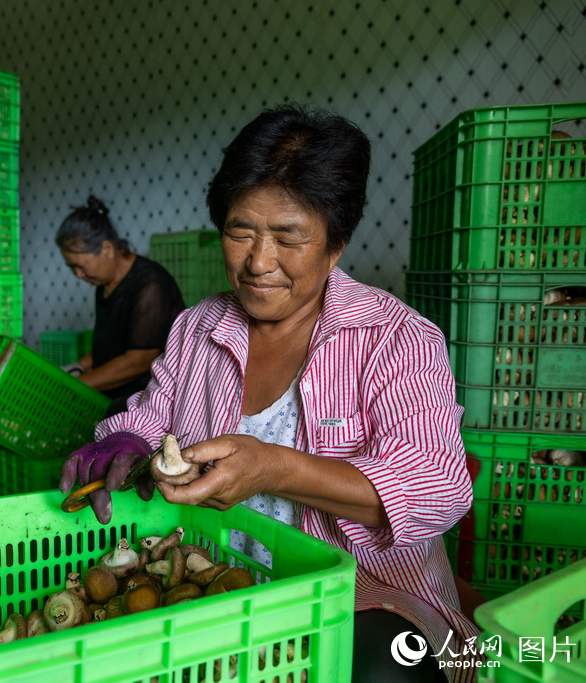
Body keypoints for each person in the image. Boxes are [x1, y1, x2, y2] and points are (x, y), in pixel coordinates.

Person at [60, 106, 477, 682]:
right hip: (213, 582)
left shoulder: (395, 338)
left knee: (381, 666)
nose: (258, 262)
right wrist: (125, 437)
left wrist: (274, 469)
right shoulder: (196, 328)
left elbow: (439, 490)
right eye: (240, 232)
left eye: (289, 238)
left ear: (337, 242)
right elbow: (152, 418)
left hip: (365, 597)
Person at [56, 196, 185, 416]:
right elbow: (110, 344)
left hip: (148, 401)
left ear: (107, 249)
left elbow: (138, 361)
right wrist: (79, 366)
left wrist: (75, 386)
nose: (78, 275)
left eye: (80, 266)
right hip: (114, 394)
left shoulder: (150, 284)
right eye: (72, 268)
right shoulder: (104, 282)